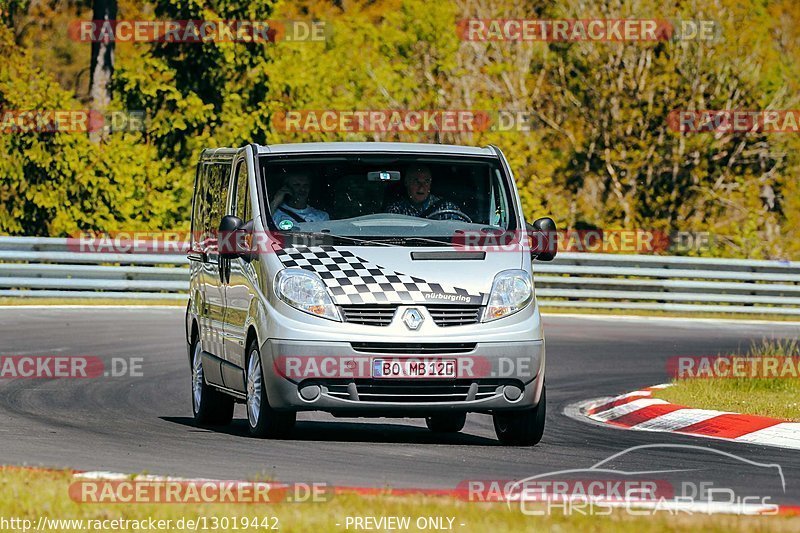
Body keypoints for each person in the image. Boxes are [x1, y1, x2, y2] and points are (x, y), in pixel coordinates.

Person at [385, 166, 463, 220]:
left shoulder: (447, 208)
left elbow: (459, 234)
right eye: (416, 181)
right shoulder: (396, 211)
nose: (421, 187)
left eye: (426, 181)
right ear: (406, 182)